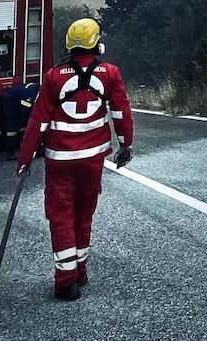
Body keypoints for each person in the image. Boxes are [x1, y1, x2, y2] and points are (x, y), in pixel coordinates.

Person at [16, 17, 134, 301]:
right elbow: (121, 112)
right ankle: (80, 270)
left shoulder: (54, 76)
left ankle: (66, 281)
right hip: (93, 159)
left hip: (60, 160)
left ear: (69, 45)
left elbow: (38, 121)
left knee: (60, 217)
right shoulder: (109, 73)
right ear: (97, 44)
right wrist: (125, 145)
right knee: (84, 214)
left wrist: (25, 158)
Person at [2, 79, 39, 159]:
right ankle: (10, 153)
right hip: (10, 102)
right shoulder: (30, 93)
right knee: (12, 128)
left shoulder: (37, 90)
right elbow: (25, 112)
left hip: (17, 101)